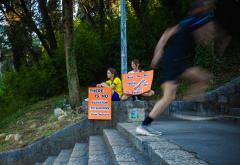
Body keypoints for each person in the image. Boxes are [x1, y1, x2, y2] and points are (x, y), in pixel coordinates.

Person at [136, 0, 215, 136]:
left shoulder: (195, 21)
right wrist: (158, 52)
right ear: (201, 8)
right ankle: (144, 125)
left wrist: (158, 53)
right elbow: (168, 32)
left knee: (202, 78)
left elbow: (203, 37)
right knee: (168, 96)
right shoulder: (193, 20)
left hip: (175, 61)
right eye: (207, 6)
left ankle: (187, 104)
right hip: (173, 61)